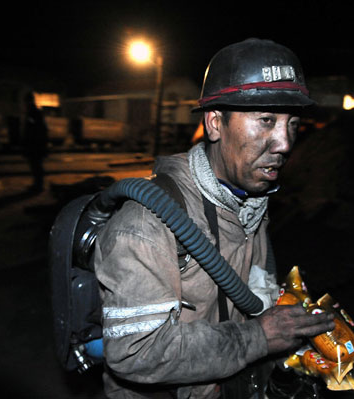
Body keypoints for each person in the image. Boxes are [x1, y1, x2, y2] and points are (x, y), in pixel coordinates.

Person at [94, 38, 335, 398]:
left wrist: (286, 317)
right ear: (214, 124)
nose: (284, 143)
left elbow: (250, 291)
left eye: (293, 124)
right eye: (266, 120)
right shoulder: (146, 226)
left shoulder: (250, 203)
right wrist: (260, 337)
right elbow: (135, 353)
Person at [21, 91, 48, 192]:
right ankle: (38, 185)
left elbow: (34, 129)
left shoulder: (33, 113)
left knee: (36, 165)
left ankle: (39, 186)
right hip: (36, 144)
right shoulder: (34, 112)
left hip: (35, 145)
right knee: (36, 165)